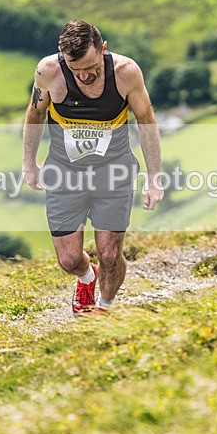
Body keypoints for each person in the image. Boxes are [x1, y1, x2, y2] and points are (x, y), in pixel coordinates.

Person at [23, 19, 164, 317]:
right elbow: (35, 114)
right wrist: (29, 164)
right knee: (69, 259)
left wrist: (154, 178)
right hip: (64, 172)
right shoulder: (48, 72)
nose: (84, 75)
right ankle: (87, 277)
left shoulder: (126, 73)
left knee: (110, 253)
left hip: (114, 172)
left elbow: (147, 121)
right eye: (76, 71)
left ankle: (105, 308)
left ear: (103, 48)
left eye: (91, 66)